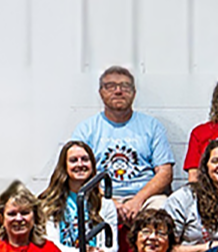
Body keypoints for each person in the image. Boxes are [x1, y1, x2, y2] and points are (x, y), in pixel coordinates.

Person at [72, 66, 177, 225]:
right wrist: (110, 202)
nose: (118, 91)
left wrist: (138, 199)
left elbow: (165, 173)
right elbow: (76, 173)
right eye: (110, 86)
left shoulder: (152, 126)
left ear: (134, 94)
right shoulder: (86, 129)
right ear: (101, 93)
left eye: (125, 86)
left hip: (146, 197)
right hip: (101, 196)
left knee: (163, 209)